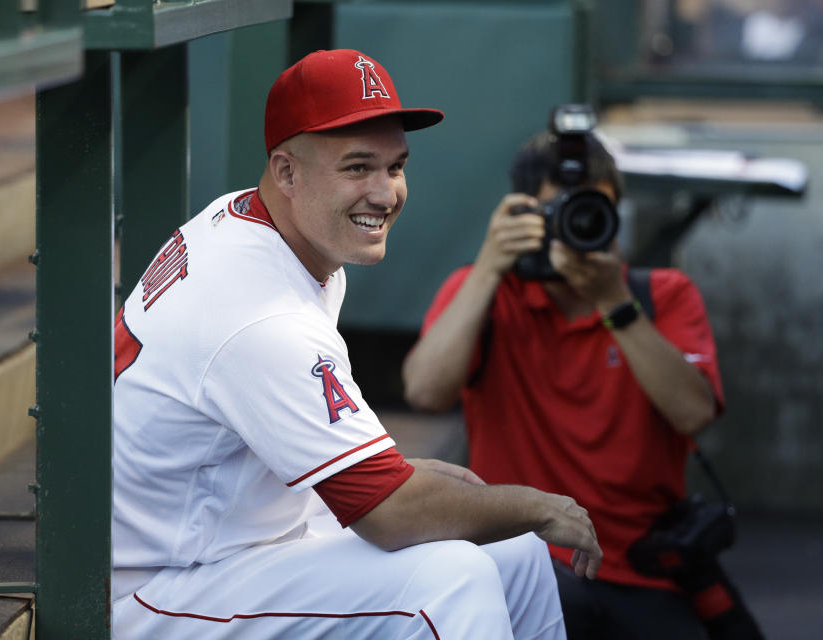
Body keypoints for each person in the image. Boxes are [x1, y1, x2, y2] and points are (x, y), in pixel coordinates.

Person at [111, 49, 602, 640]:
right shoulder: (262, 313)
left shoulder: (265, 224)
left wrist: (402, 476)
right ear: (287, 171)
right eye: (357, 168)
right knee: (452, 578)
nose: (384, 193)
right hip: (161, 584)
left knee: (514, 553)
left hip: (229, 532)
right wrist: (538, 504)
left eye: (395, 167)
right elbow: (390, 515)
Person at [402, 124, 725, 639]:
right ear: (524, 216)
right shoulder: (485, 295)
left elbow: (694, 413)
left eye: (593, 212)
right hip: (528, 562)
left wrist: (614, 302)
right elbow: (424, 392)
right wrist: (488, 267)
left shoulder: (662, 295)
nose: (578, 228)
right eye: (560, 214)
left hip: (646, 572)